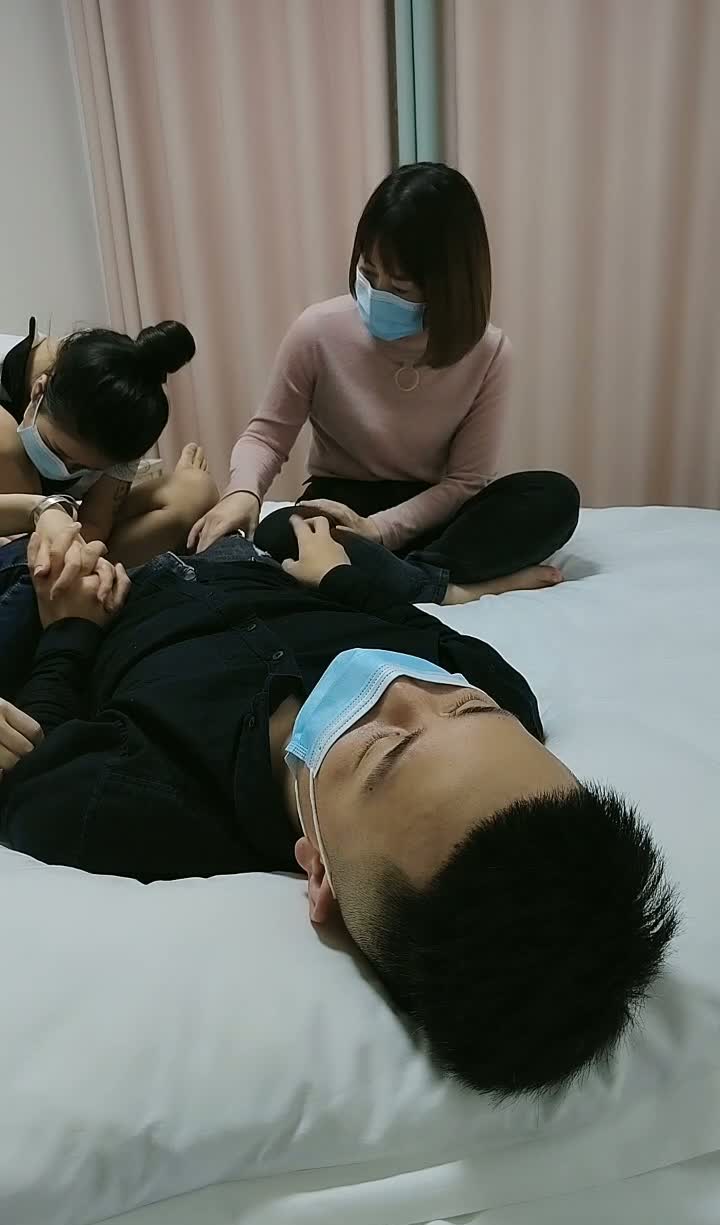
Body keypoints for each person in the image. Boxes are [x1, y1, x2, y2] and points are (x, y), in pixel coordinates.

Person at [0, 513, 679, 1098]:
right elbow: (416, 630)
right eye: (468, 706)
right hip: (258, 568)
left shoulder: (130, 799)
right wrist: (338, 579)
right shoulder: (505, 694)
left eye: (385, 745)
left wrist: (70, 626)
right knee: (294, 524)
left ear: (319, 870)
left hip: (120, 600)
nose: (404, 686)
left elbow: (36, 741)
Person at [188, 163, 580, 606]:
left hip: (431, 513)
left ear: (448, 285)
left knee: (554, 497)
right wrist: (243, 492)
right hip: (339, 504)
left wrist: (378, 531)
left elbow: (463, 483)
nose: (378, 293)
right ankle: (444, 587)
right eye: (369, 273)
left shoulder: (489, 353)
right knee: (281, 530)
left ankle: (397, 574)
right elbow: (266, 436)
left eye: (401, 286)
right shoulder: (317, 330)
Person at [0, 317, 217, 566]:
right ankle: (34, 568)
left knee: (195, 491)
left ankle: (61, 570)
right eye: (55, 450)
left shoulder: (125, 417)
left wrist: (73, 550)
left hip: (68, 530)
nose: (64, 469)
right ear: (38, 390)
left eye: (84, 467)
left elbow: (95, 522)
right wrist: (39, 511)